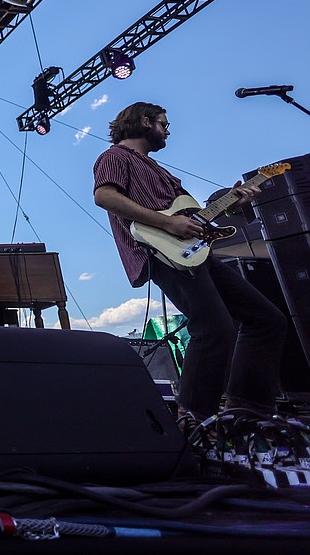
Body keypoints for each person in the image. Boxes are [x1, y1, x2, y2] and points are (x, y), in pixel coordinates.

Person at [92, 102, 285, 423]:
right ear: (144, 122)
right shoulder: (114, 157)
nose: (168, 130)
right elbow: (105, 197)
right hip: (159, 250)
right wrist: (168, 224)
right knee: (213, 329)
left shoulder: (158, 170)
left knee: (267, 319)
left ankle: (246, 410)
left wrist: (232, 201)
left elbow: (189, 219)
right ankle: (191, 421)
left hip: (194, 250)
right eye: (163, 123)